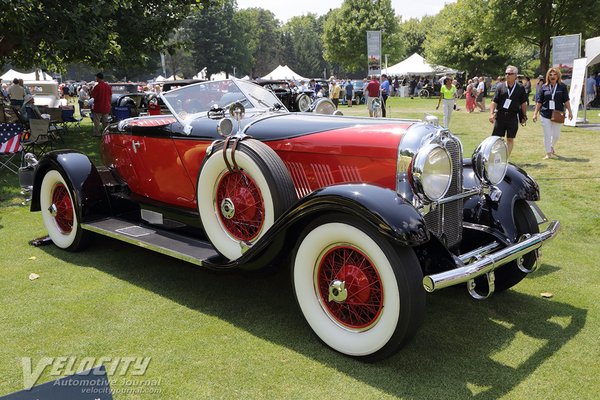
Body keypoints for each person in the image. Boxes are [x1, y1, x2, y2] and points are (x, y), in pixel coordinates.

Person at [532, 67, 573, 159]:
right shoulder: (544, 87)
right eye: (550, 75)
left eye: (554, 74)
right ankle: (548, 153)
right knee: (547, 134)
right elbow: (539, 101)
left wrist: (570, 111)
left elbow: (566, 100)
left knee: (556, 135)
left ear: (558, 76)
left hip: (558, 113)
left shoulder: (562, 86)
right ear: (548, 76)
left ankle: (551, 146)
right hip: (545, 113)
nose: (552, 76)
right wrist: (535, 113)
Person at [488, 65, 528, 156]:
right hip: (500, 116)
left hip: (513, 116)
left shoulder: (520, 88)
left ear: (515, 76)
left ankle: (506, 158)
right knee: (496, 138)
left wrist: (524, 116)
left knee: (510, 138)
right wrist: (491, 113)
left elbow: (523, 103)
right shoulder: (500, 87)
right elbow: (494, 101)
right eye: (506, 73)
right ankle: (496, 156)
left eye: (510, 73)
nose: (507, 75)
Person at [90, 72, 112, 137]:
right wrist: (110, 104)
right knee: (105, 121)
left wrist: (91, 91)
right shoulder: (108, 86)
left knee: (97, 121)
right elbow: (110, 96)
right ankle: (106, 133)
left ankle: (97, 133)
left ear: (98, 78)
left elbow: (93, 96)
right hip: (106, 106)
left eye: (96, 77)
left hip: (98, 106)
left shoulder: (97, 86)